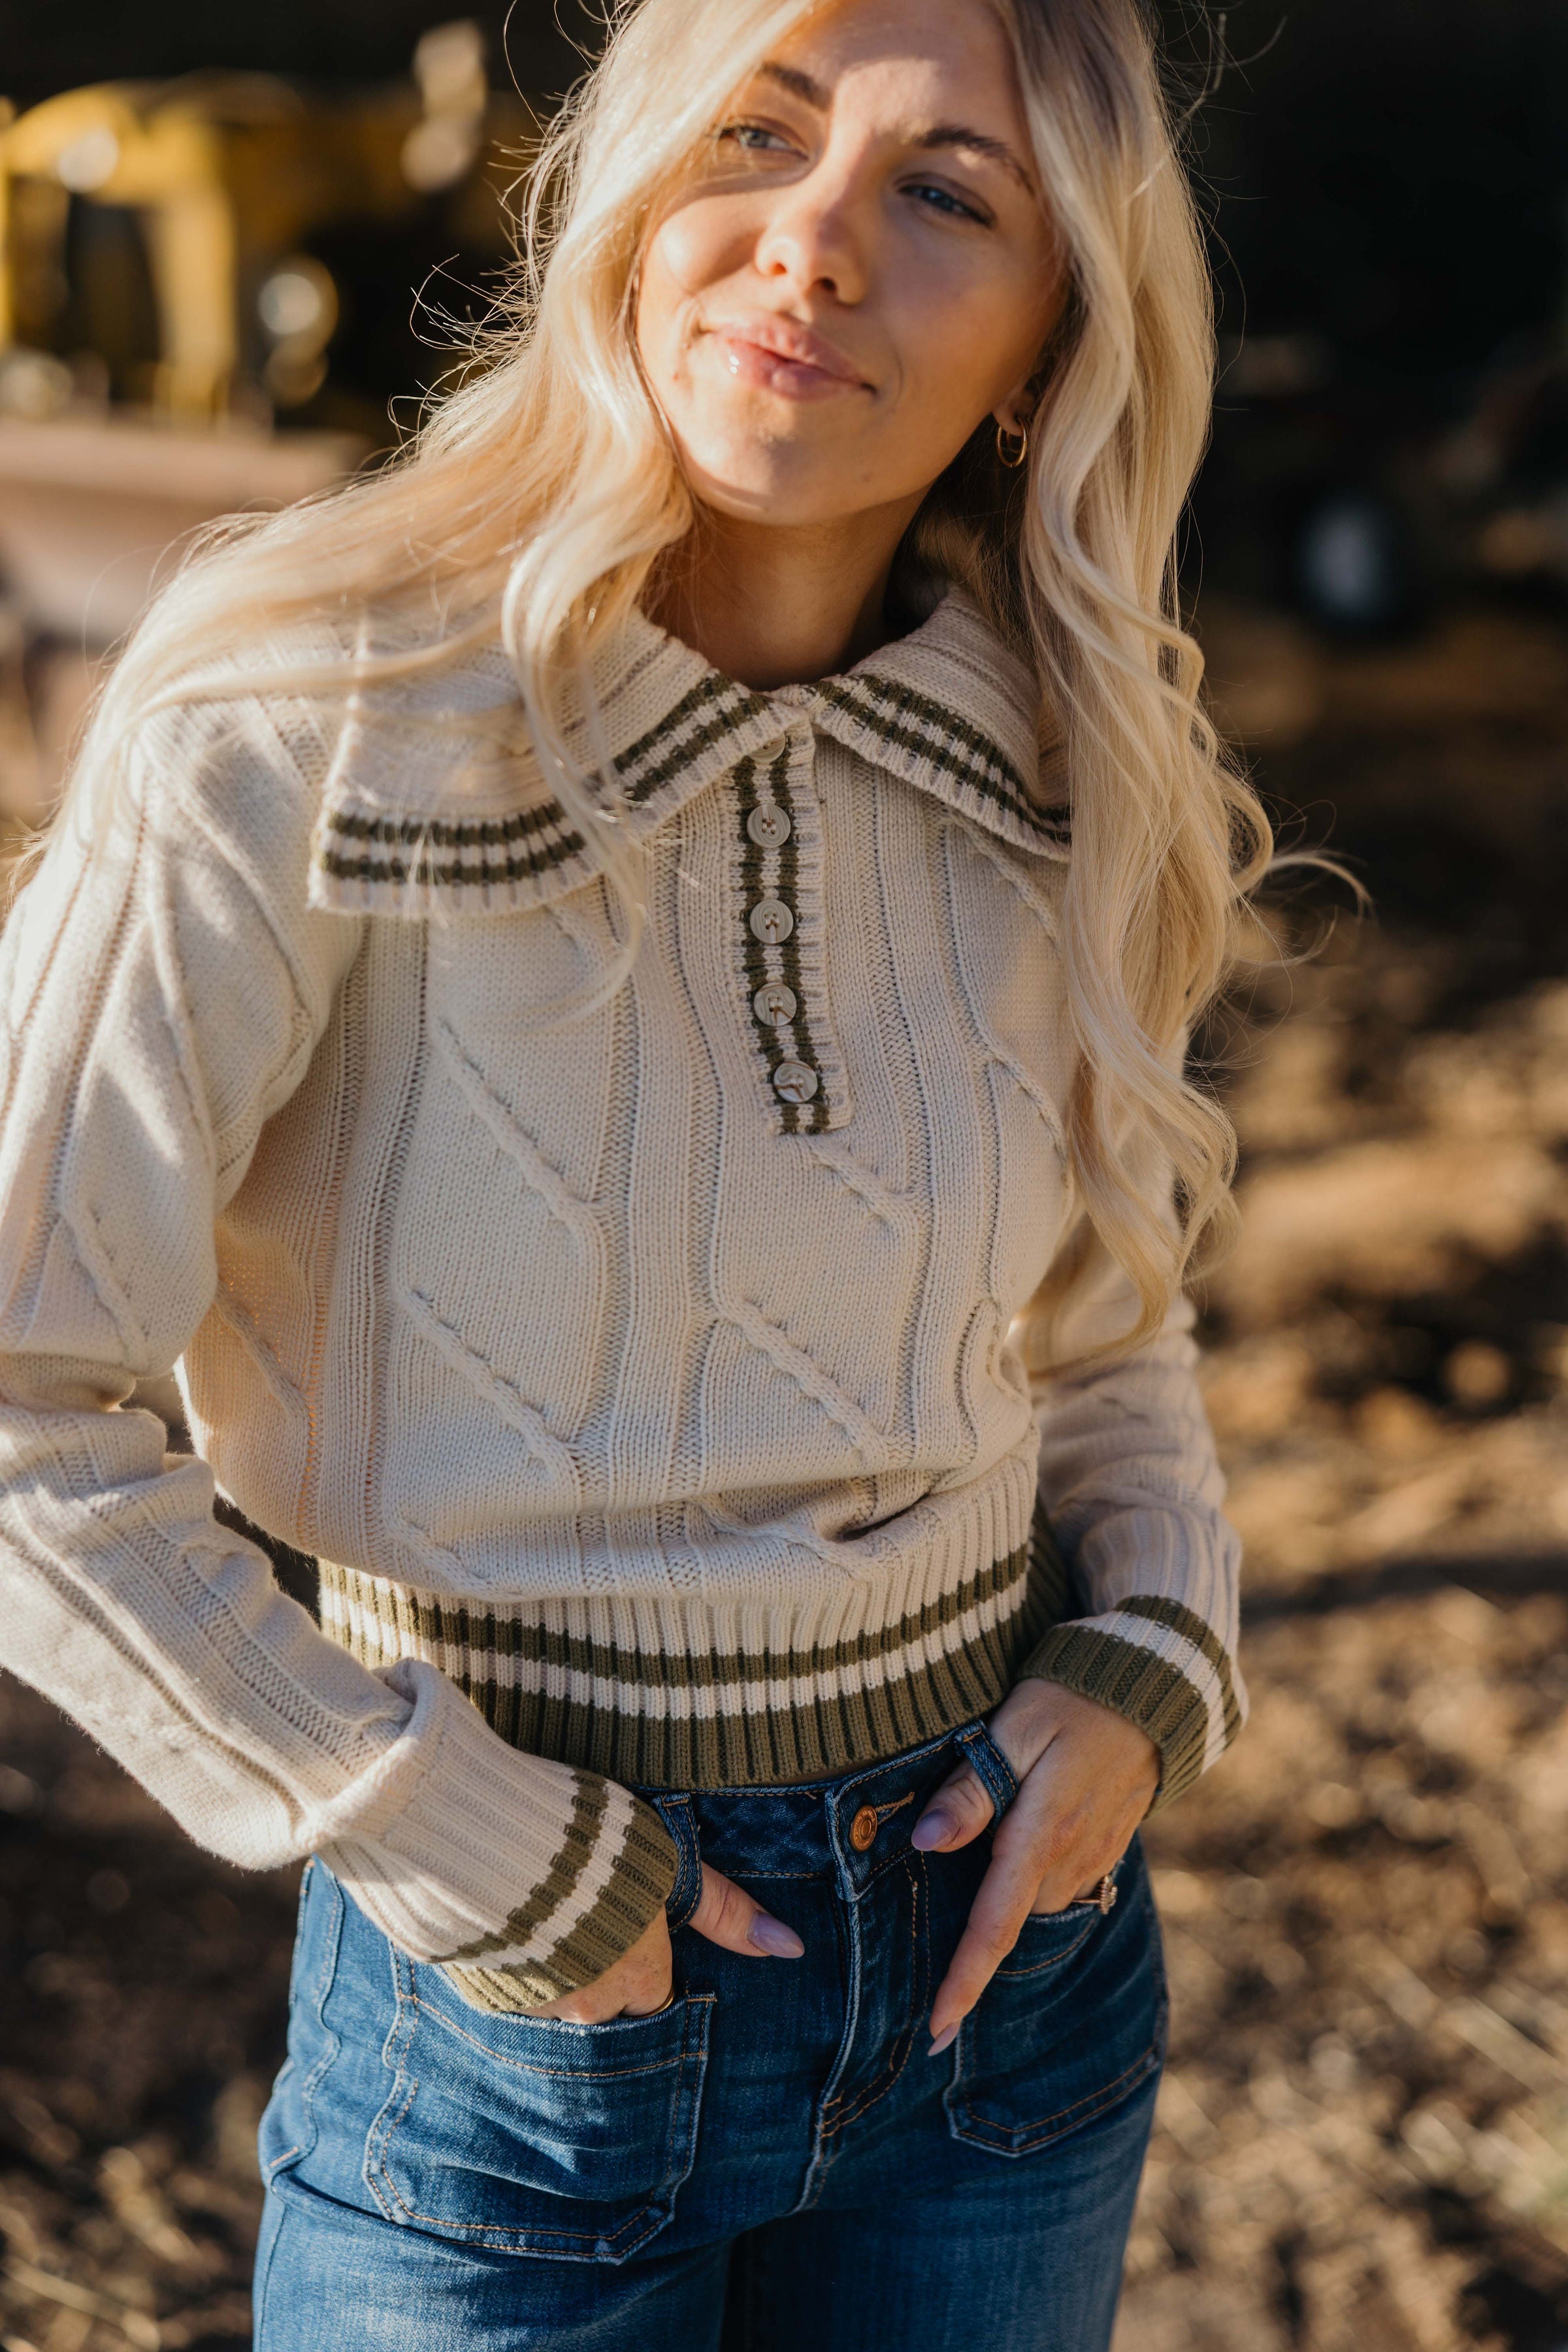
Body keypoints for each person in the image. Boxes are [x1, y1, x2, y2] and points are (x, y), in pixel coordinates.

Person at [0, 0, 1265, 2342]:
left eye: (946, 192)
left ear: (1046, 351)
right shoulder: (303, 708)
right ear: (627, 199)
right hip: (524, 2017)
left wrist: (1148, 1655)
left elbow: (1103, 1323)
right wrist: (446, 1841)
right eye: (754, 137)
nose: (814, 243)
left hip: (1014, 1982)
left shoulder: (1063, 747)